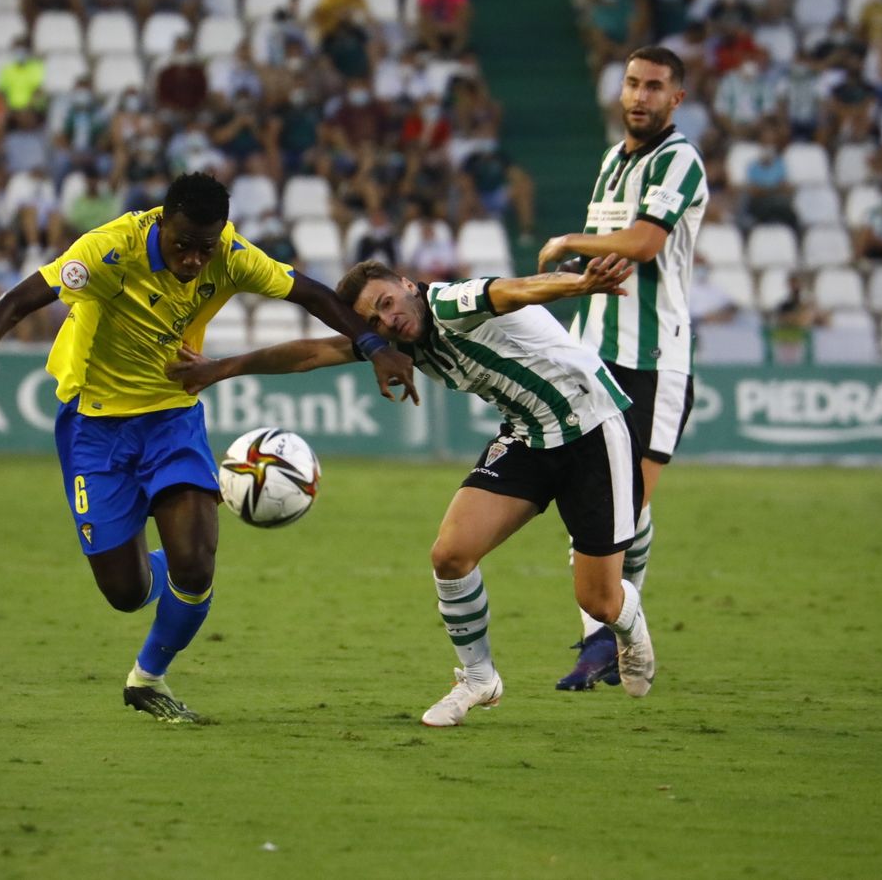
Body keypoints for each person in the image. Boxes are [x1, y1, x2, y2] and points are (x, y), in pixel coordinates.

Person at [0, 173, 418, 724]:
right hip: (94, 429)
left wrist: (372, 345)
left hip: (172, 416)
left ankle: (148, 677)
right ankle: (153, 558)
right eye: (183, 246)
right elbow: (18, 300)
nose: (196, 261)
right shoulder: (109, 249)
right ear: (162, 221)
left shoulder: (233, 254)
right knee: (126, 592)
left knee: (195, 565)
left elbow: (310, 292)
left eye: (206, 247)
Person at [169, 255, 655, 727]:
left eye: (385, 302)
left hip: (593, 430)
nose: (387, 319)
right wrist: (220, 369)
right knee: (450, 555)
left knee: (600, 603)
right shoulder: (391, 341)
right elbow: (312, 352)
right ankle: (478, 678)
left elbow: (512, 290)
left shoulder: (447, 302)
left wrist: (577, 285)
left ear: (406, 283)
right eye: (373, 318)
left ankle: (630, 632)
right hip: (528, 436)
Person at [534, 45, 707, 691]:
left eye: (654, 87)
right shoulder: (612, 162)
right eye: (633, 83)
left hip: (654, 363)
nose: (639, 96)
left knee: (623, 512)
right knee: (595, 508)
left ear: (675, 99)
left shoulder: (679, 160)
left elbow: (642, 243)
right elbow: (615, 254)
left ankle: (609, 638)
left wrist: (568, 244)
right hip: (593, 359)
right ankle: (599, 640)